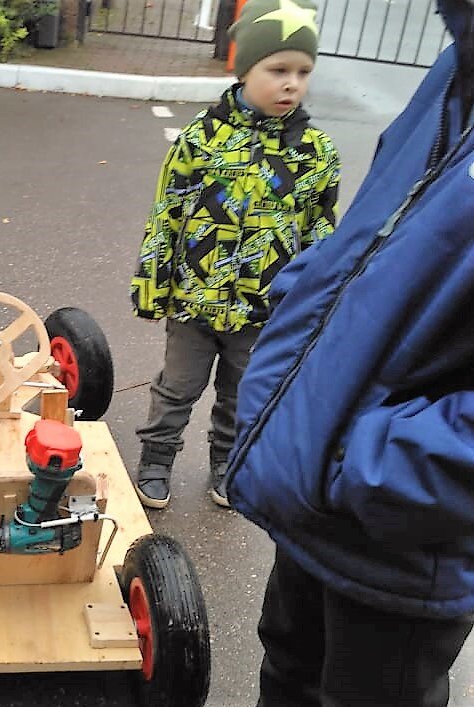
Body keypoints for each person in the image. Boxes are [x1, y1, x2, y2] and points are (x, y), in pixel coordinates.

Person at [224, 0, 474, 703]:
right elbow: (372, 231)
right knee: (287, 667)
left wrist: (361, 462)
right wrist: (292, 337)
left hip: (393, 518)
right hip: (317, 480)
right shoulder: (458, 65)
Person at [129, 0, 340, 509]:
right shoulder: (202, 138)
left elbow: (321, 234)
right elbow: (169, 213)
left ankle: (228, 461)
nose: (291, 84)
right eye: (278, 70)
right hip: (193, 300)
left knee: (242, 394)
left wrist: (313, 305)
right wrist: (152, 284)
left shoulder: (314, 151)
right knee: (177, 387)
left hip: (262, 307)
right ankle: (157, 458)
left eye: (303, 72)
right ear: (246, 69)